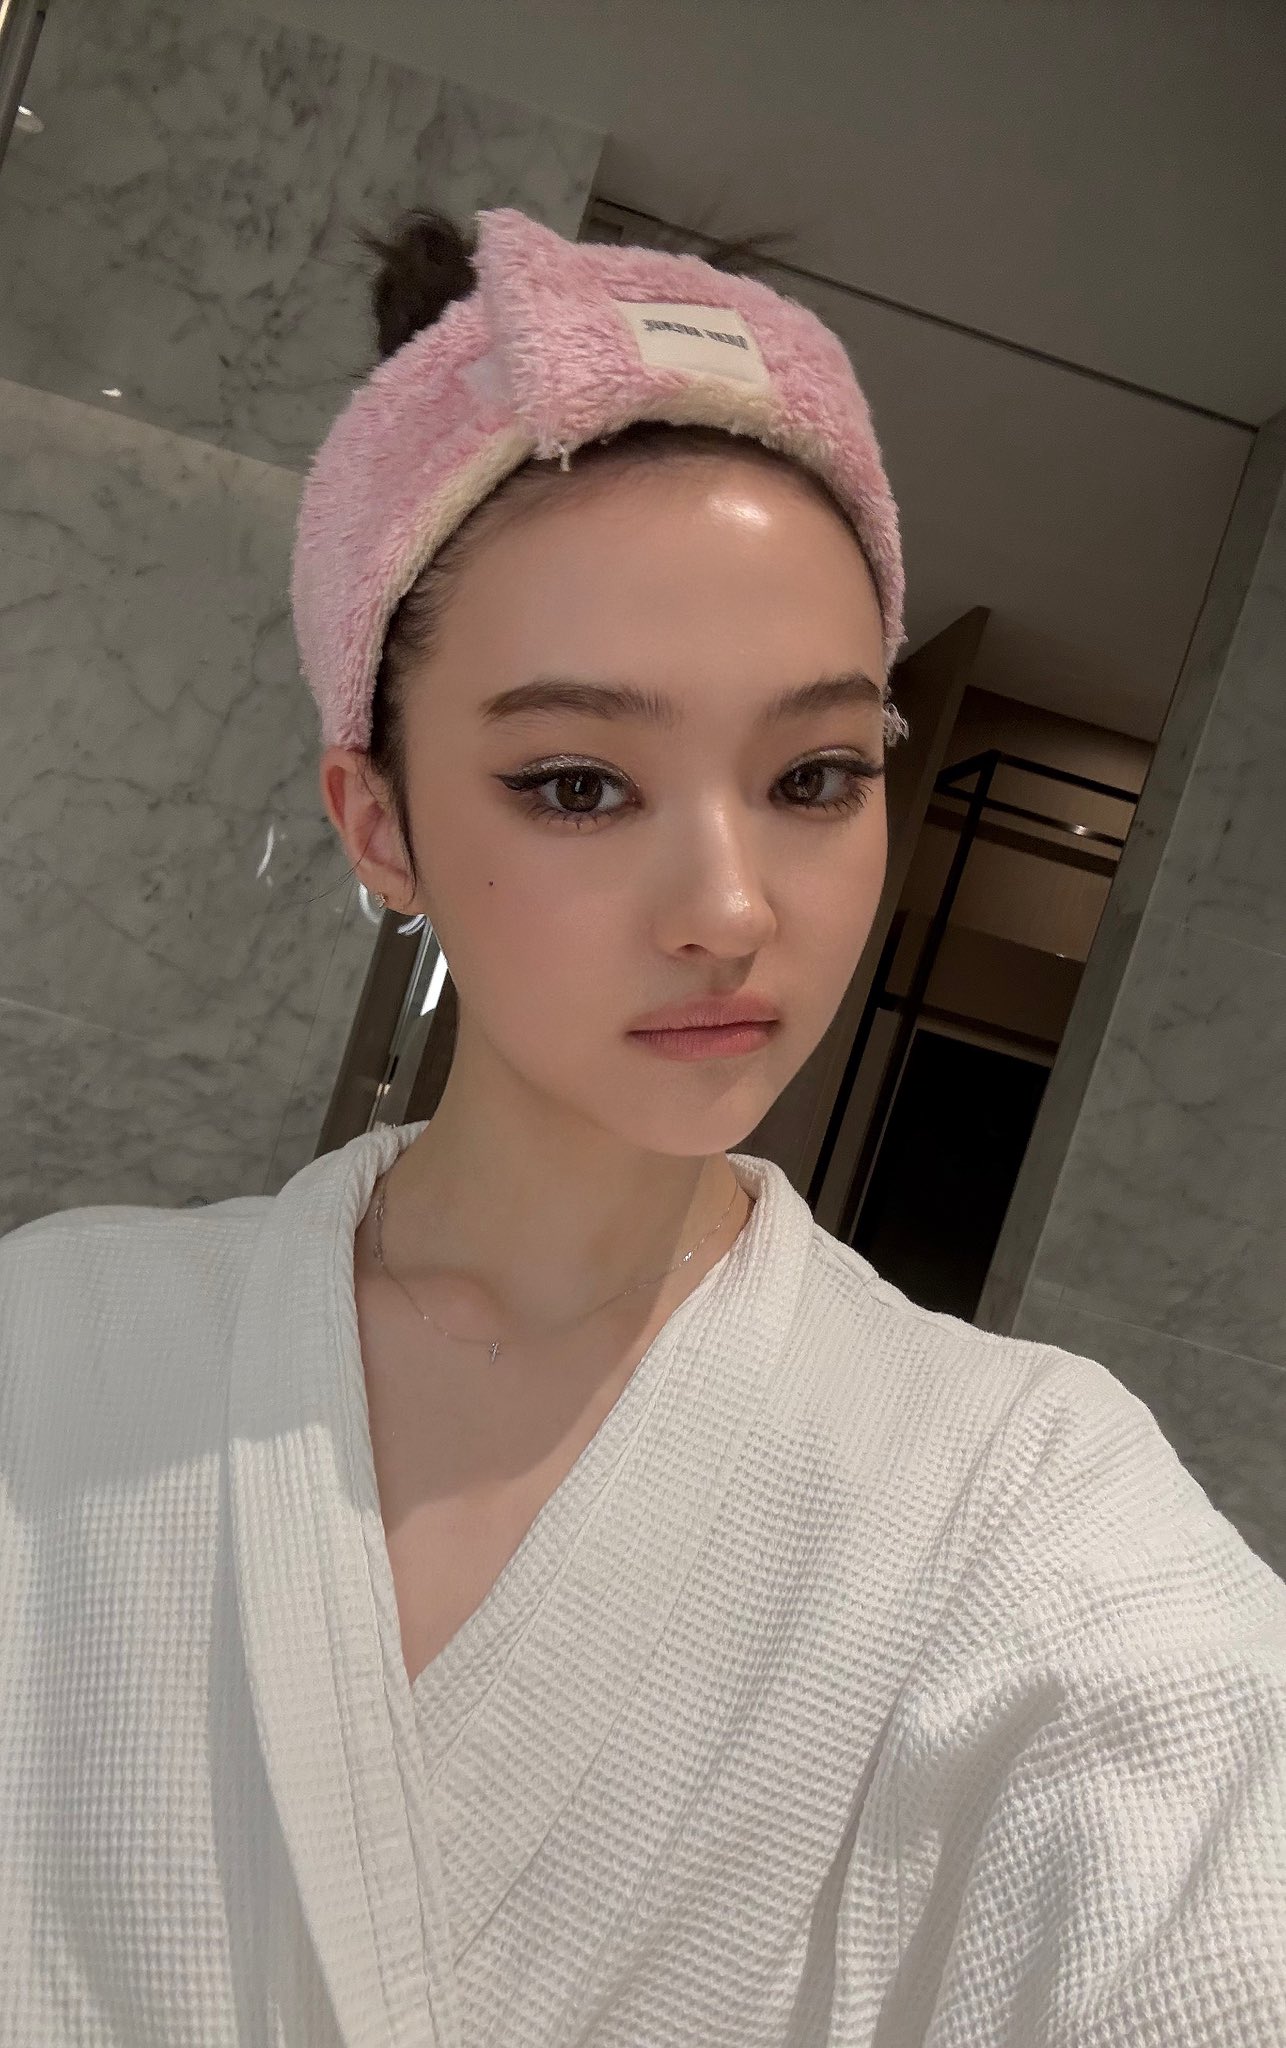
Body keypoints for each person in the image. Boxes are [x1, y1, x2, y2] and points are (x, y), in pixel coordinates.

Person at [0, 203, 1282, 2048]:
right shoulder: (56, 1352)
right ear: (379, 824)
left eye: (815, 775)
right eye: (579, 784)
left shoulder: (1023, 1503)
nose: (732, 908)